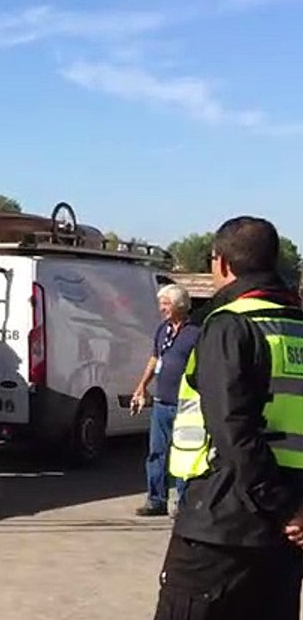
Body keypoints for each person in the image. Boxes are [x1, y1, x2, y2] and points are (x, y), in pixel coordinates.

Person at [153, 216, 303, 619]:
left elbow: (233, 430)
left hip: (223, 523)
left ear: (221, 263)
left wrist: (283, 507)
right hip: (285, 537)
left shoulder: (230, 325)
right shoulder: (296, 326)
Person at [130, 283, 201, 517]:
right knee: (156, 453)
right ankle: (156, 500)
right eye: (161, 304)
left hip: (186, 405)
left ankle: (183, 503)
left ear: (179, 305)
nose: (162, 308)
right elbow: (155, 358)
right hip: (162, 403)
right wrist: (142, 386)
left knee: (184, 455)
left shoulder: (196, 333)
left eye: (166, 304)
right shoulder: (163, 329)